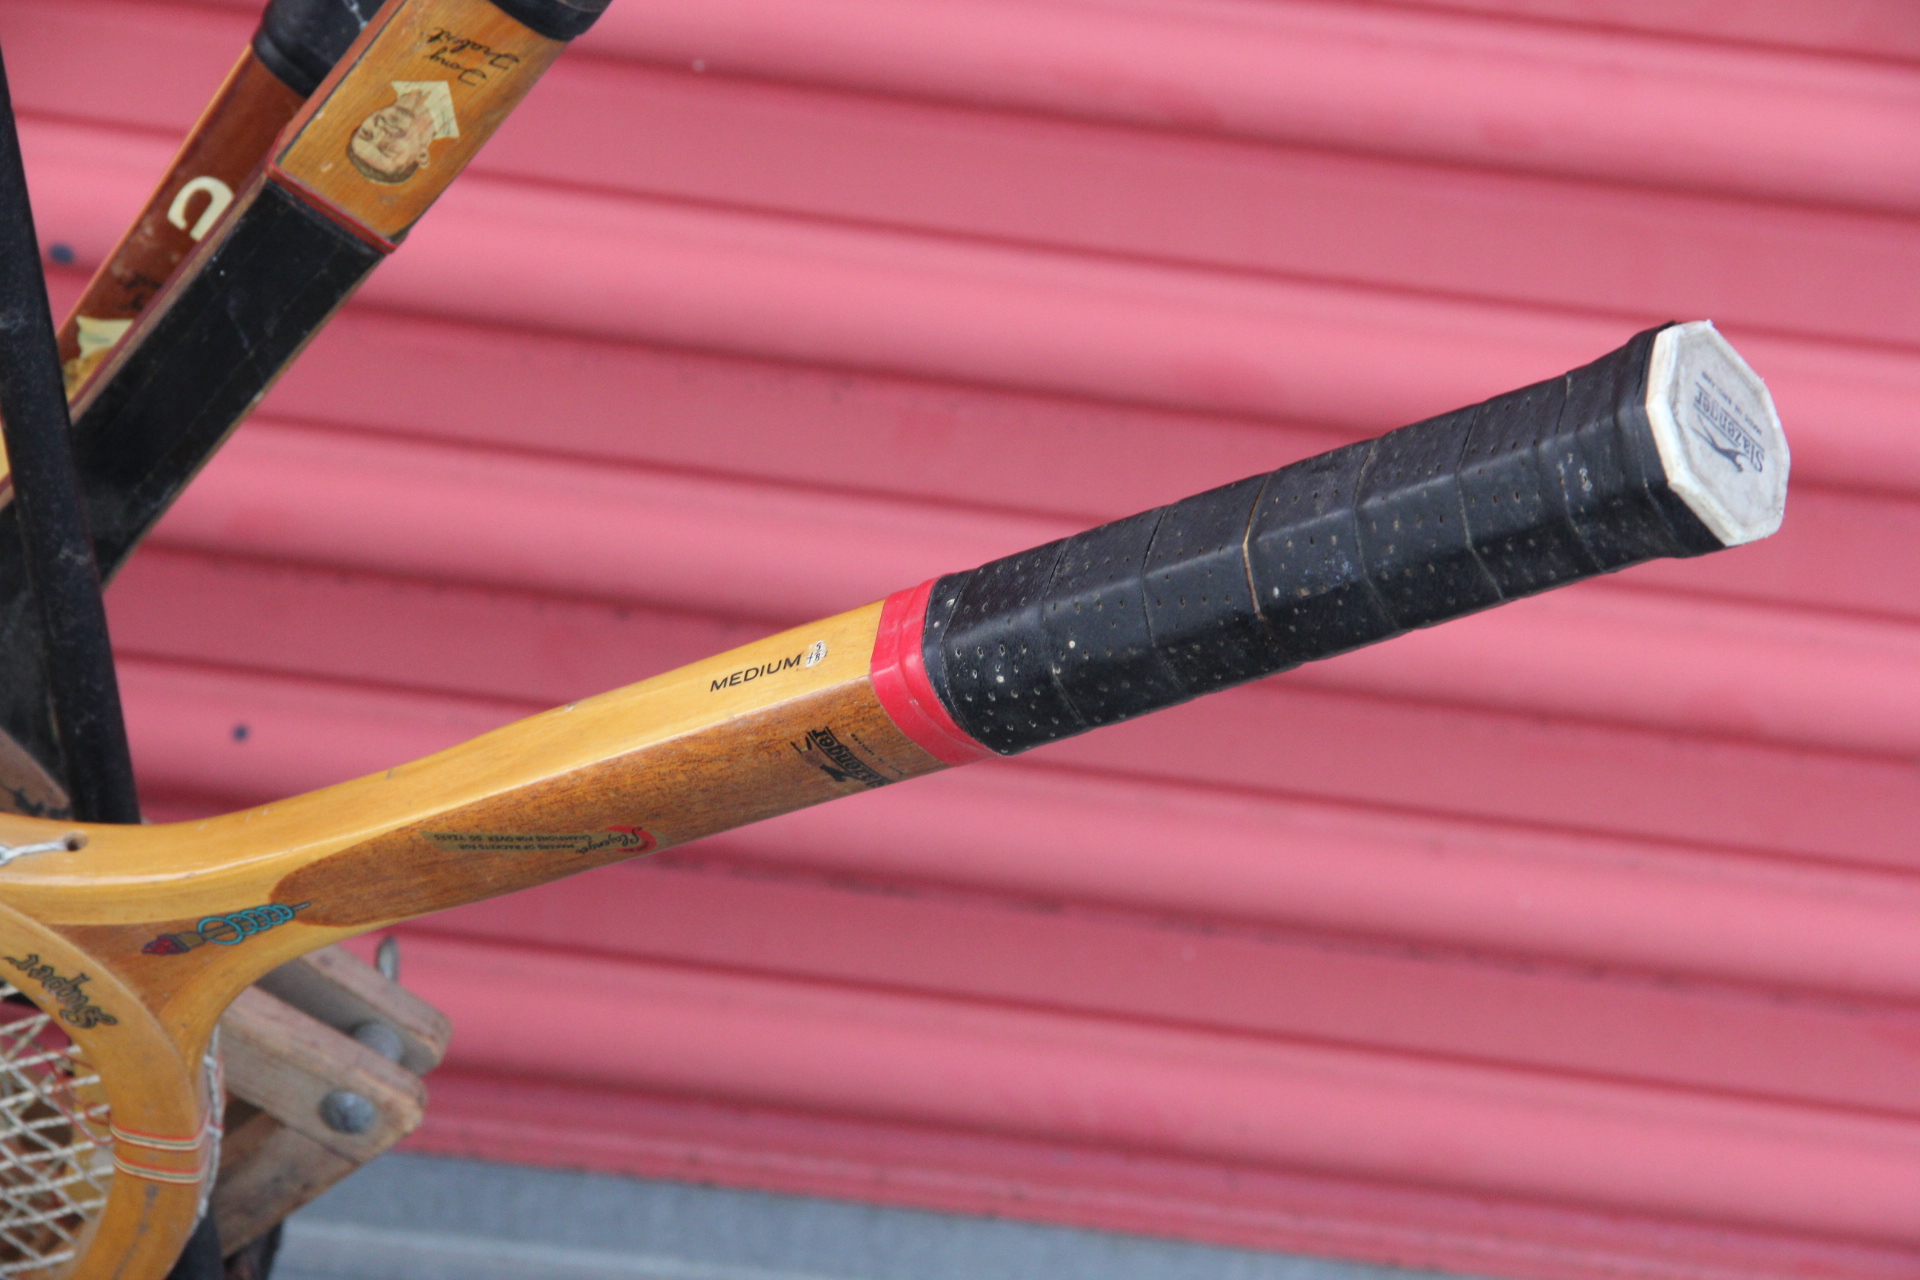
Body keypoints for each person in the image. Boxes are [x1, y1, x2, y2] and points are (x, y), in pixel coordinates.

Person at [347, 81, 459, 184]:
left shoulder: (386, 74)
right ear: (421, 155)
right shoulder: (466, 119)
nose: (381, 131)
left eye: (366, 133)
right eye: (389, 148)